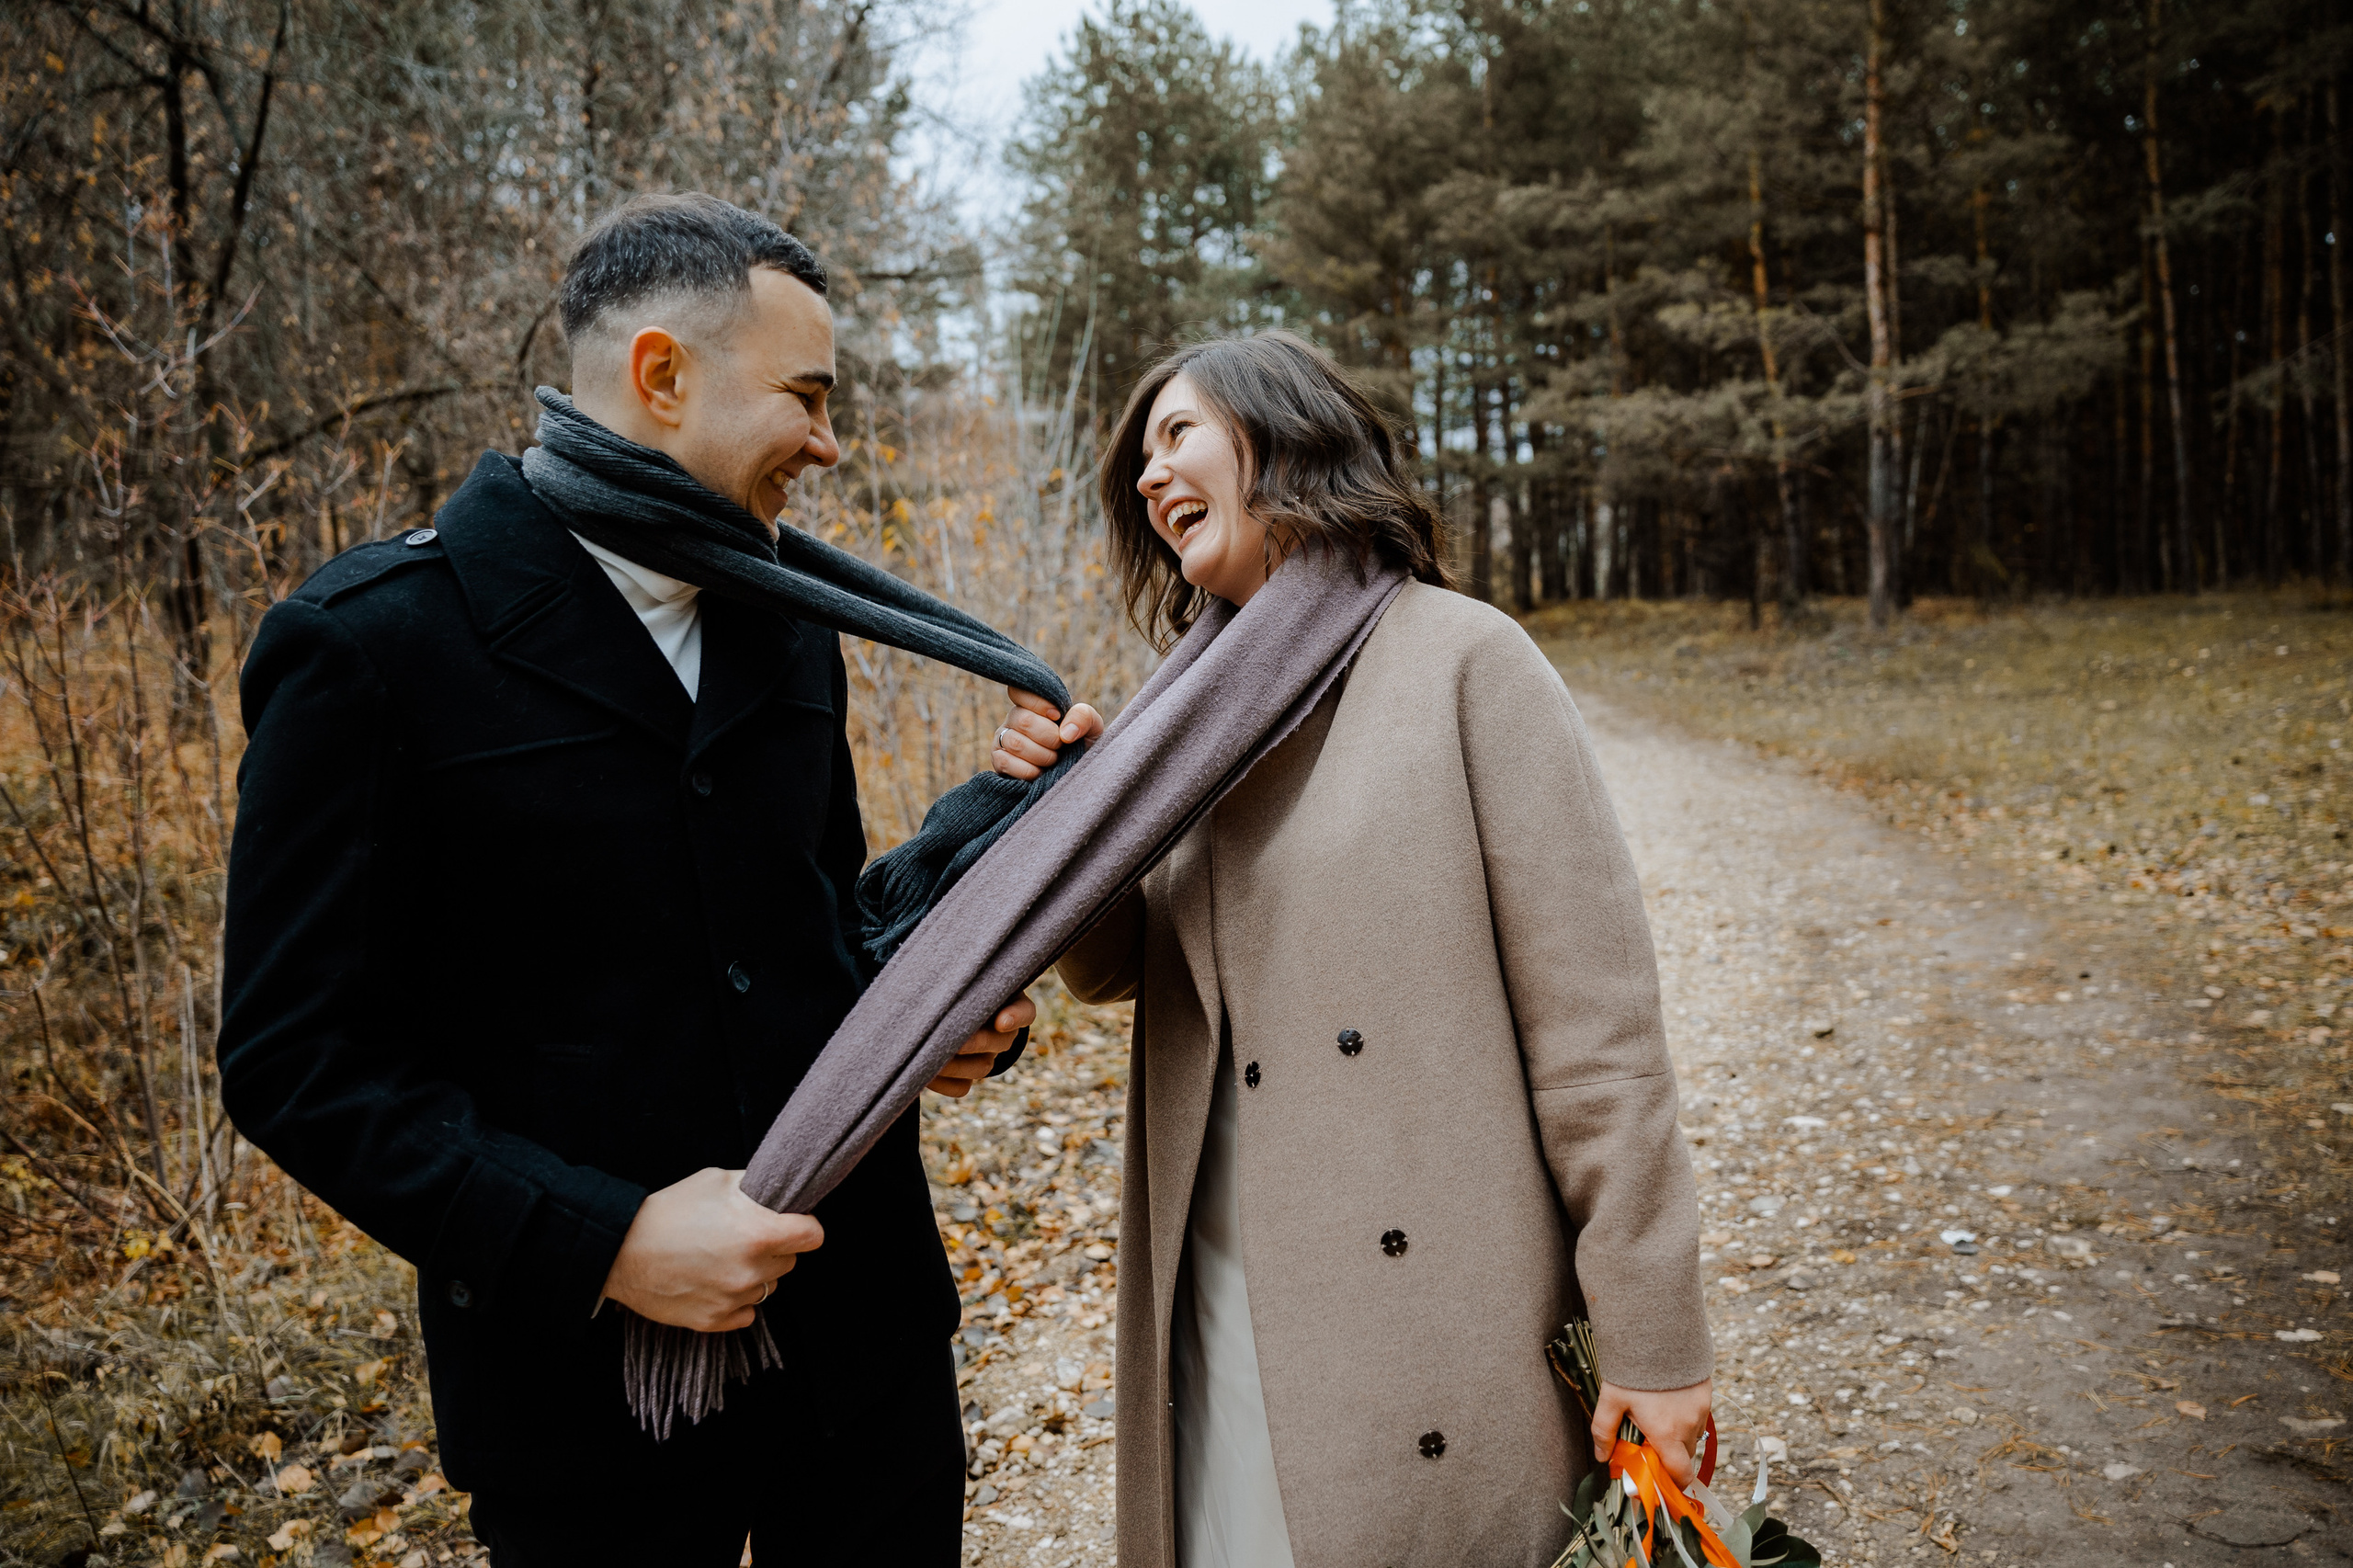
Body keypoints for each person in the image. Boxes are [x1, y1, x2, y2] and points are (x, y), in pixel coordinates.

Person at [219, 193, 1054, 1564]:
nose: (832, 444)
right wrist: (605, 1241)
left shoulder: (792, 627)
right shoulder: (374, 646)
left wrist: (933, 1015)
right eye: (807, 396)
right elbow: (295, 1060)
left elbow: (813, 927)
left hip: (870, 1363)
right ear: (663, 374)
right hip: (583, 1408)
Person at [995, 331, 1714, 1568]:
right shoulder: (1187, 704)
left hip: (1422, 1293)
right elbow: (1123, 965)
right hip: (1222, 1275)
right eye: (1140, 459)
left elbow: (1601, 1042)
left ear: (1283, 435)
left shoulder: (1468, 661)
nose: (1149, 477)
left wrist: (1657, 1342)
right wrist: (1069, 815)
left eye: (1179, 434)